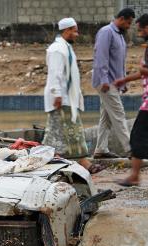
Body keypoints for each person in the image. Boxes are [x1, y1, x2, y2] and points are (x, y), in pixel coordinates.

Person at [43, 18, 106, 174]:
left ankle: (63, 162)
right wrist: (57, 94)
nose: (77, 34)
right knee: (69, 132)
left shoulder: (65, 48)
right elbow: (55, 74)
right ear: (66, 30)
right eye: (75, 31)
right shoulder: (57, 49)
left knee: (58, 134)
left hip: (67, 98)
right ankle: (84, 164)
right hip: (61, 98)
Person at [113, 14, 148, 186]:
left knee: (137, 136)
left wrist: (144, 71)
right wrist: (125, 80)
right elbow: (146, 70)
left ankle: (134, 176)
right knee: (139, 137)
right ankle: (134, 176)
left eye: (140, 29)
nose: (139, 33)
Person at [92, 8, 135, 159]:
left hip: (113, 82)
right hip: (105, 82)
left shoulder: (120, 36)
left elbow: (119, 63)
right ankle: (131, 150)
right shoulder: (106, 32)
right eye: (128, 22)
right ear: (122, 19)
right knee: (118, 114)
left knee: (107, 117)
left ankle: (101, 149)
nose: (129, 26)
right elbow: (101, 58)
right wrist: (104, 80)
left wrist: (122, 82)